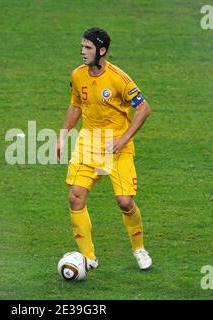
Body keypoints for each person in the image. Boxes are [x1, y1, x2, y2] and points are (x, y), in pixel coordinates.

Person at [56, 27, 153, 271]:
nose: (82, 52)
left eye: (88, 48)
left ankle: (139, 248)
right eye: (81, 47)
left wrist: (125, 137)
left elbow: (143, 109)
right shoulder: (78, 75)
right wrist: (62, 135)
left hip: (116, 145)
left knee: (124, 202)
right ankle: (88, 257)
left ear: (102, 50)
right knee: (75, 196)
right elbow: (76, 105)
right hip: (88, 143)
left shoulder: (119, 78)